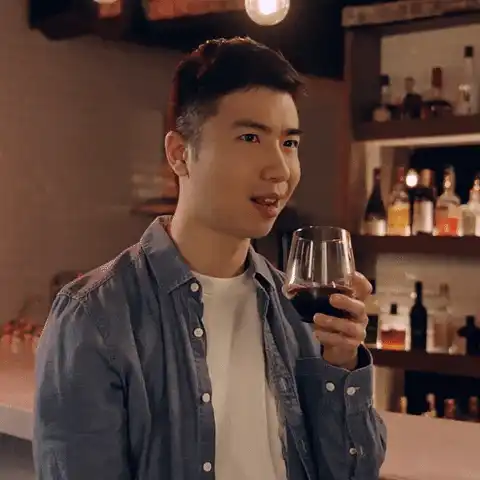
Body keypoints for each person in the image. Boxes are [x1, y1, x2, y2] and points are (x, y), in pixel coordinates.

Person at [34, 37, 386, 480]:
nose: (280, 169)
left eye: (289, 143)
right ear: (180, 154)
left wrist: (343, 362)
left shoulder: (296, 309)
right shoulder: (96, 316)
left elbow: (354, 473)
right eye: (250, 137)